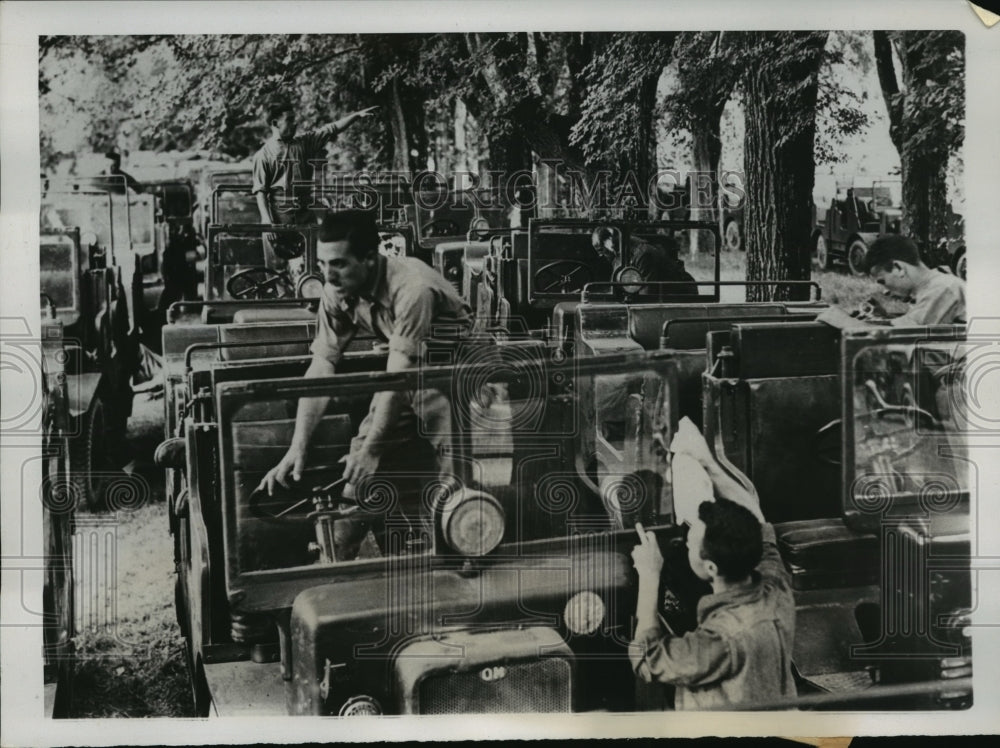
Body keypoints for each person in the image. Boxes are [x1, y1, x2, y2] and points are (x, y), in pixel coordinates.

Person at [259, 209, 474, 560]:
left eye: (339, 264)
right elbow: (322, 366)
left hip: (456, 375)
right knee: (354, 492)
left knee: (456, 492)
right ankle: (334, 571)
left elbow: (398, 376)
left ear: (370, 259)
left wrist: (372, 451)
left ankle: (460, 563)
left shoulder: (412, 289)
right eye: (322, 263)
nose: (328, 275)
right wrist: (298, 446)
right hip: (405, 372)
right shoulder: (336, 289)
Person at [629, 417, 796, 710]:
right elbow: (758, 521)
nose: (686, 543)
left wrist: (649, 576)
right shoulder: (776, 590)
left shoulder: (719, 640)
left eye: (691, 543)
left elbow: (646, 659)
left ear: (711, 569)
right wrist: (709, 462)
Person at [252, 96, 378, 228]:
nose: (295, 123)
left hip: (305, 213)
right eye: (289, 120)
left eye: (294, 119)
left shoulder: (305, 142)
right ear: (275, 123)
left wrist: (356, 116)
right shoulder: (263, 155)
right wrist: (266, 221)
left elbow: (331, 129)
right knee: (280, 242)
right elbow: (260, 192)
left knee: (315, 240)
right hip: (279, 217)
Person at [816, 234, 966, 330]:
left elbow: (899, 337)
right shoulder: (934, 286)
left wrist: (843, 321)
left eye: (882, 281)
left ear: (898, 268)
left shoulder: (943, 288)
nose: (885, 291)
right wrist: (886, 317)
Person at [592, 227, 698, 296]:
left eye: (601, 250)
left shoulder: (643, 254)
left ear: (609, 243)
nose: (601, 255)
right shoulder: (620, 256)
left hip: (680, 296)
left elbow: (647, 293)